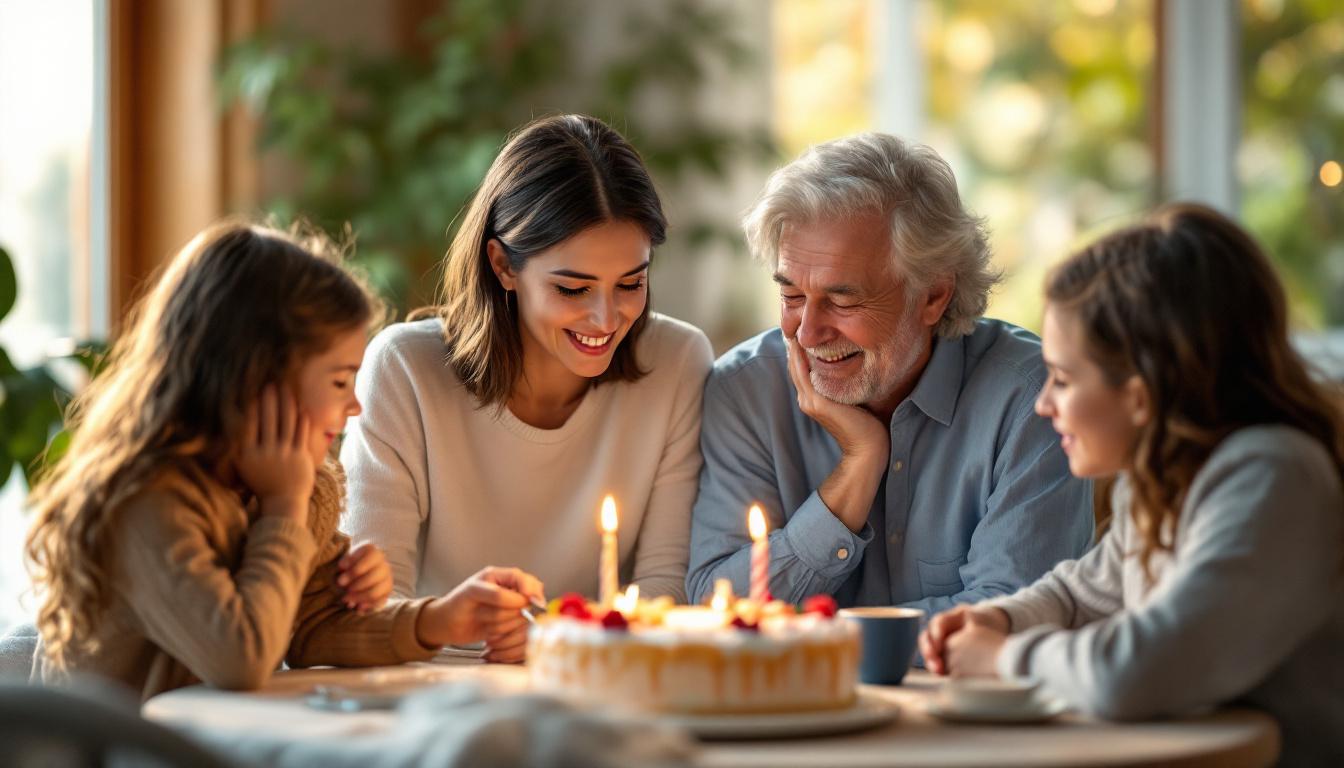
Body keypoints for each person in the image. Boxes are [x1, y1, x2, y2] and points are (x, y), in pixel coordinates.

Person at [24, 222, 546, 699]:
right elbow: (240, 658)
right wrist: (283, 511)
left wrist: (439, 619)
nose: (355, 406)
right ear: (256, 380)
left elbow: (311, 628)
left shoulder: (299, 486)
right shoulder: (147, 503)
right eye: (340, 381)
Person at [920, 203, 1344, 765]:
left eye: (1064, 380)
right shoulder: (1163, 477)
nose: (1044, 405)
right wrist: (1000, 618)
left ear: (1141, 396)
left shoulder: (1273, 478)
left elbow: (1139, 672)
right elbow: (1083, 594)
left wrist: (1001, 657)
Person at [688, 133, 1093, 614]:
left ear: (933, 296)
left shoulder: (1034, 399)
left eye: (843, 300)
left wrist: (817, 636)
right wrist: (858, 465)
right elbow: (714, 607)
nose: (808, 332)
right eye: (792, 296)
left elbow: (1012, 616)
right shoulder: (746, 391)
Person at [341, 115, 713, 605]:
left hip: (604, 669)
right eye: (572, 288)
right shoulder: (404, 369)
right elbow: (367, 605)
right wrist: (462, 629)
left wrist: (560, 643)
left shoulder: (677, 362)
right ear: (502, 266)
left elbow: (665, 592)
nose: (606, 319)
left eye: (631, 283)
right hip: (431, 672)